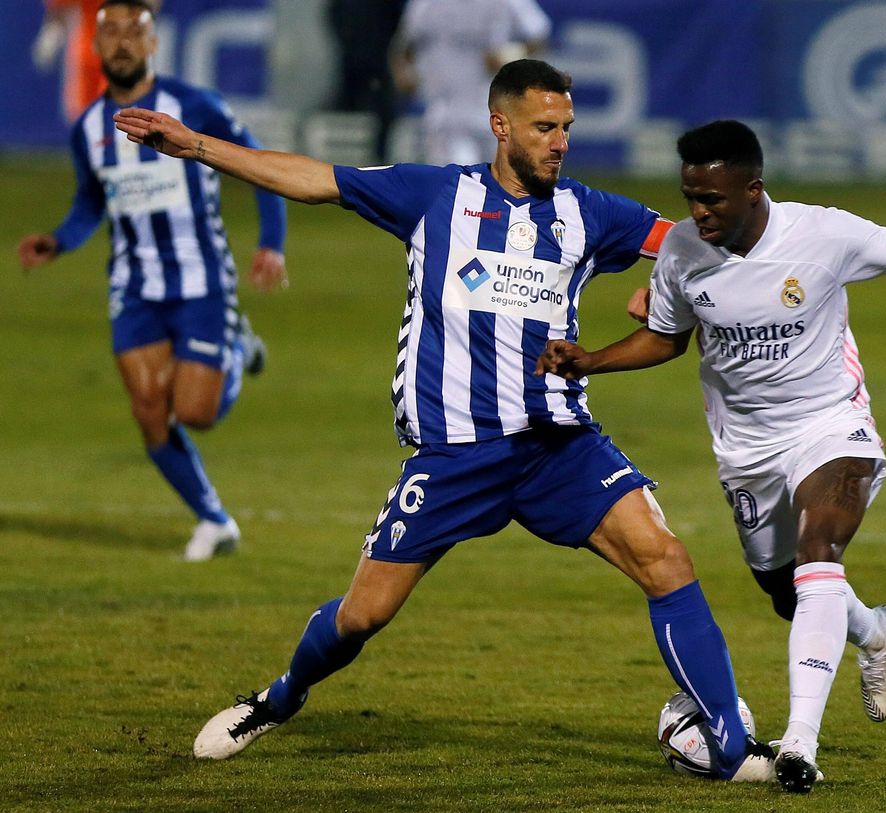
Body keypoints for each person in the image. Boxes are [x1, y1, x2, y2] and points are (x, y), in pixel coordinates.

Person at [113, 60, 776, 782]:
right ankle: (278, 697)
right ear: (501, 126)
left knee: (666, 559)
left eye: (567, 129)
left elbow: (702, 237)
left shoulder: (592, 213)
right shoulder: (436, 195)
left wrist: (670, 285)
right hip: (455, 454)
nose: (559, 142)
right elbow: (313, 178)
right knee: (362, 616)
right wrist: (199, 146)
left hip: (558, 443)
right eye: (544, 128)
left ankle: (729, 746)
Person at [536, 120, 886, 794]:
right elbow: (667, 339)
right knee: (787, 593)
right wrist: (591, 362)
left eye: (713, 200)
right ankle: (874, 630)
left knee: (821, 548)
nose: (699, 213)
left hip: (831, 426)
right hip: (747, 451)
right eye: (690, 197)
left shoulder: (821, 233)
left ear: (753, 189)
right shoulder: (682, 254)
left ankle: (799, 744)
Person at [18, 0, 288, 562]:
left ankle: (238, 348)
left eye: (132, 33)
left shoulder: (192, 106)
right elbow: (92, 201)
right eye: (109, 32)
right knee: (148, 409)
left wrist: (271, 243)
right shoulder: (90, 125)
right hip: (134, 285)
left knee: (194, 414)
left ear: (152, 43)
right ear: (93, 46)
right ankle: (214, 520)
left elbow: (262, 168)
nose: (120, 43)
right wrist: (59, 241)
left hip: (201, 278)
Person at [395, 0, 551, 165]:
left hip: (495, 113)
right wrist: (404, 74)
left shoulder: (507, 2)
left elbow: (539, 36)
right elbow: (405, 46)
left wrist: (508, 55)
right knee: (460, 180)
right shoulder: (426, 4)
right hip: (445, 115)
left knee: (497, 184)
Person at [326, 0, 407, 164]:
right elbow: (334, 15)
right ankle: (341, 166)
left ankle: (380, 162)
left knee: (382, 115)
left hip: (379, 62)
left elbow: (400, 22)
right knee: (344, 114)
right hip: (353, 63)